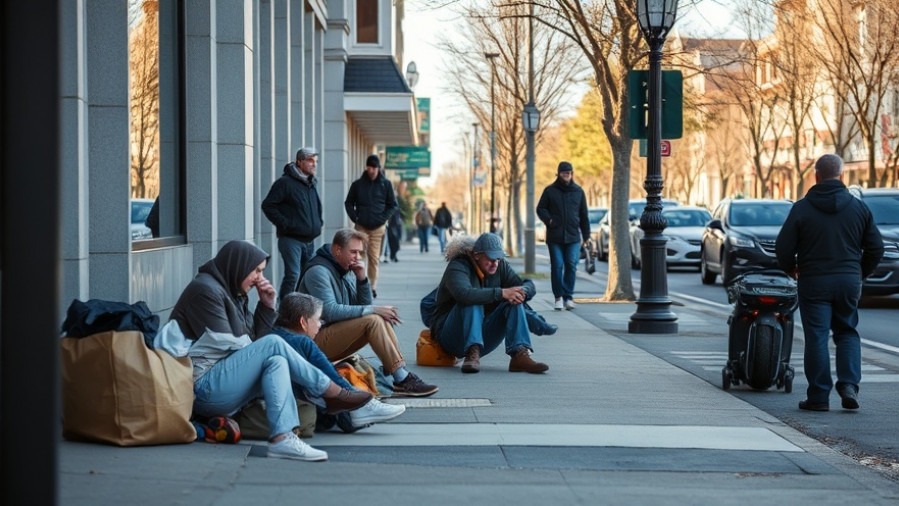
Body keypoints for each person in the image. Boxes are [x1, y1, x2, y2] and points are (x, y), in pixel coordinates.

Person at [170, 240, 373, 461]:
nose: (259, 278)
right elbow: (235, 343)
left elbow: (253, 341)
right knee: (274, 345)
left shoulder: (232, 292)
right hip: (201, 388)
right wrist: (259, 333)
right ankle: (331, 392)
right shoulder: (205, 290)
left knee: (277, 360)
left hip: (223, 382)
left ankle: (283, 439)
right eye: (255, 270)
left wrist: (267, 306)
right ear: (238, 265)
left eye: (261, 271)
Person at [775, 154, 883, 412]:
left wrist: (791, 268)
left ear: (816, 175)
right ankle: (848, 385)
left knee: (817, 336)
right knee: (846, 332)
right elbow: (876, 248)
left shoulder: (801, 208)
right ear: (842, 176)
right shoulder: (859, 208)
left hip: (813, 281)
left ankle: (819, 396)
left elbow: (783, 247)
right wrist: (858, 272)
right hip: (848, 280)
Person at [298, 228, 439, 397]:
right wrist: (373, 309)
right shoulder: (318, 271)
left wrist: (362, 279)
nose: (357, 257)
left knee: (379, 318)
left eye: (360, 253)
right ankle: (401, 378)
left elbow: (362, 307)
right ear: (337, 250)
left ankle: (399, 373)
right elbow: (329, 311)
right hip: (311, 343)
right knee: (373, 318)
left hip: (331, 334)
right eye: (353, 252)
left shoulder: (345, 269)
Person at [273, 292, 406, 429]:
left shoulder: (276, 334)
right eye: (318, 320)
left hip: (287, 401)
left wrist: (362, 282)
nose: (320, 325)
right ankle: (360, 408)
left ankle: (354, 410)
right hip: (290, 404)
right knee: (327, 370)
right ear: (303, 322)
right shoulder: (300, 341)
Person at [430, 232, 549, 374]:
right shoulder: (458, 267)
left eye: (498, 258)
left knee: (513, 300)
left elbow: (525, 284)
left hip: (483, 337)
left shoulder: (500, 266)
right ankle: (471, 352)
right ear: (476, 255)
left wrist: (521, 291)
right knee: (471, 300)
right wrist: (501, 293)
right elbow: (463, 293)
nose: (495, 263)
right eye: (491, 258)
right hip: (452, 336)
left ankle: (519, 355)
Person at [262, 147, 323, 302]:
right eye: (310, 161)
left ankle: (299, 312)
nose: (314, 164)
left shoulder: (310, 183)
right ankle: (283, 312)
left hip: (309, 241)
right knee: (293, 275)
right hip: (291, 240)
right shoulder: (285, 183)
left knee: (306, 277)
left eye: (315, 161)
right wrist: (286, 224)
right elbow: (268, 205)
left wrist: (319, 223)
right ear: (299, 162)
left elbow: (317, 206)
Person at [536, 161, 590, 311]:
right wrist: (549, 220)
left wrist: (587, 236)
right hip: (555, 237)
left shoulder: (578, 191)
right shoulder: (550, 191)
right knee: (557, 266)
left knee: (571, 265)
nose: (567, 175)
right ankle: (558, 297)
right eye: (564, 173)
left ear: (572, 174)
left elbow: (584, 215)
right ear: (558, 174)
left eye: (569, 173)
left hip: (573, 236)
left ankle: (568, 297)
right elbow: (540, 209)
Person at [344, 154, 398, 298]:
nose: (372, 170)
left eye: (375, 167)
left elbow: (393, 205)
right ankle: (358, 284)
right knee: (357, 256)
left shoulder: (386, 184)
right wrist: (355, 218)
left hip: (377, 228)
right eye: (370, 167)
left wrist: (383, 218)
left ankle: (372, 286)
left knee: (373, 258)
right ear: (366, 167)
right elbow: (348, 203)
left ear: (379, 169)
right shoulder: (358, 185)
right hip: (361, 227)